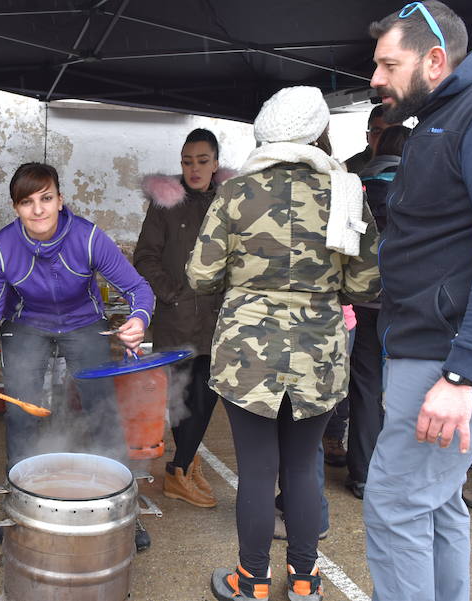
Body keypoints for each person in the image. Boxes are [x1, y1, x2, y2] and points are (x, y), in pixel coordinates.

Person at [186, 86, 380, 601]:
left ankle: (251, 582)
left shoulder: (235, 193)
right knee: (300, 465)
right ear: (317, 132)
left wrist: (247, 279)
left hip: (248, 353)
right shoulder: (346, 190)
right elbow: (367, 284)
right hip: (319, 351)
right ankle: (304, 580)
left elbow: (201, 275)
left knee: (256, 470)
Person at [0, 162, 154, 545]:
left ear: (60, 201)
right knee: (21, 411)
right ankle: (20, 511)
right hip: (28, 321)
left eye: (46, 198)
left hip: (84, 321)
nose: (38, 209)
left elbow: (139, 289)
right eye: (27, 202)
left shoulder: (89, 237)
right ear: (15, 208)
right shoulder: (2, 248)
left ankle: (122, 513)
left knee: (102, 409)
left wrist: (138, 319)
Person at [365, 3, 472, 599]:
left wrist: (461, 373)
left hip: (446, 361)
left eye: (388, 64)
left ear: (435, 59)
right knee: (438, 505)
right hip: (427, 351)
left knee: (393, 511)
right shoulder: (438, 118)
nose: (375, 78)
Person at [133, 128, 223, 508]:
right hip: (178, 317)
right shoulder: (165, 203)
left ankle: (185, 463)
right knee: (183, 398)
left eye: (202, 161)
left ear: (216, 163)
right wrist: (172, 294)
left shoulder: (229, 200)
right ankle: (178, 472)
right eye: (187, 161)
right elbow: (145, 256)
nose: (194, 168)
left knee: (210, 394)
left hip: (220, 317)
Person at [342, 124, 410, 499]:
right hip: (408, 304)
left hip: (364, 300)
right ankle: (400, 472)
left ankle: (364, 473)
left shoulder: (356, 183)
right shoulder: (419, 184)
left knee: (365, 386)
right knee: (408, 384)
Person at [343, 104, 393, 175]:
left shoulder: (410, 162)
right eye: (377, 132)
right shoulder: (348, 169)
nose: (384, 138)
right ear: (367, 136)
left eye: (392, 132)